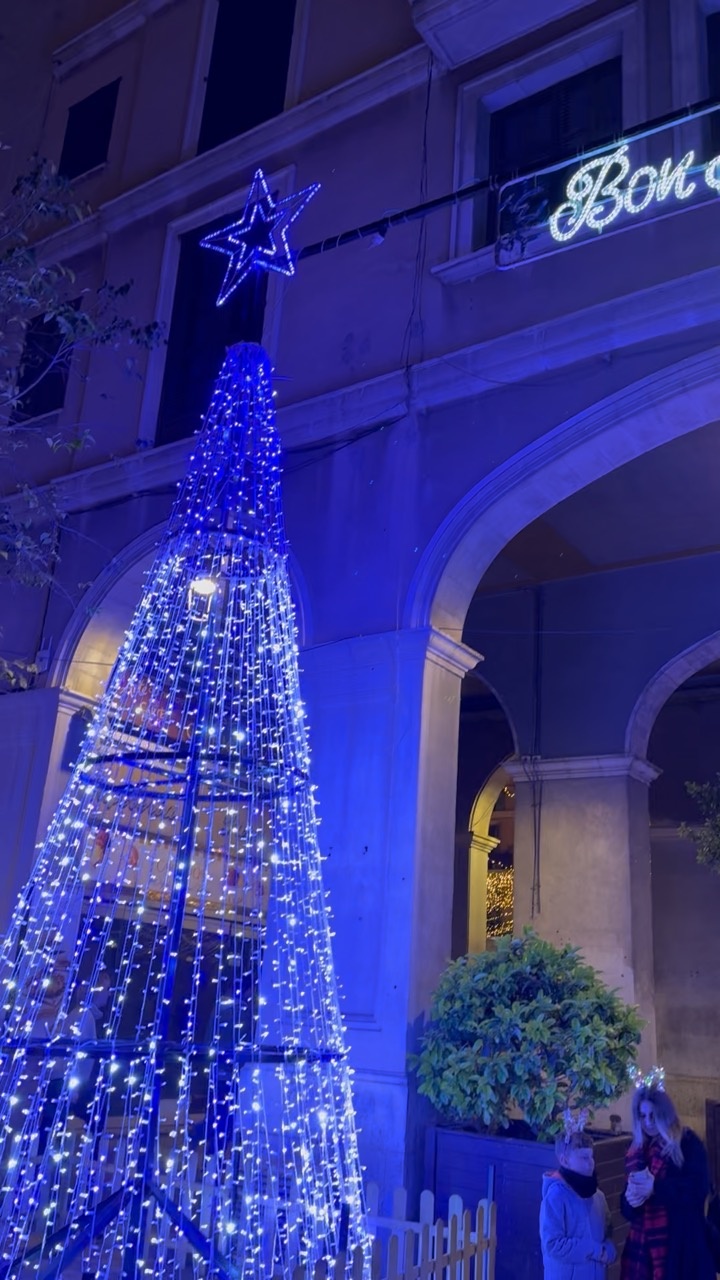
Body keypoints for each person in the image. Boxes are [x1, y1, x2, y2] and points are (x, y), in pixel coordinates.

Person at [620, 1077, 715, 1279]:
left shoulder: (687, 1143)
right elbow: (628, 1210)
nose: (648, 1122)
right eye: (642, 1116)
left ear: (665, 1114)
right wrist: (631, 1200)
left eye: (653, 1115)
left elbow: (698, 1190)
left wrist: (656, 1188)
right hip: (642, 1251)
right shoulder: (636, 1151)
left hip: (682, 1248)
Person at [37, 969, 113, 1156]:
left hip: (61, 1080)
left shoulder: (79, 1014)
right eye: (106, 989)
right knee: (62, 1125)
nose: (109, 994)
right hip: (65, 1082)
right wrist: (74, 1088)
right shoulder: (84, 1016)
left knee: (52, 1127)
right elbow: (76, 1053)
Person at [540, 1124, 616, 1278]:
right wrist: (595, 1250)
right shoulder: (556, 1197)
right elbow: (553, 1244)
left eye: (591, 1156)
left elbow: (608, 1232)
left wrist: (609, 1250)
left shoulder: (598, 1197)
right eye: (583, 1158)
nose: (590, 1162)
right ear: (564, 1160)